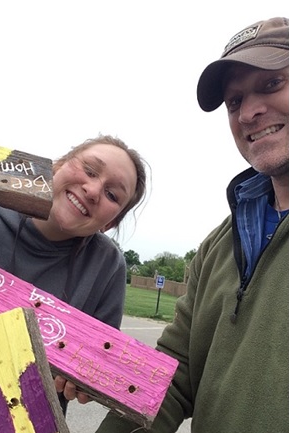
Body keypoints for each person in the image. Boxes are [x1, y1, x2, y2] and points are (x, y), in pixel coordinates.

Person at [94, 16, 289, 433]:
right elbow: (172, 373)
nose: (250, 112)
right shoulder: (219, 245)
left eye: (272, 84)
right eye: (234, 102)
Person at [0, 134, 148, 431]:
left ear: (109, 223)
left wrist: (85, 380)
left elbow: (97, 363)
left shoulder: (107, 266)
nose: (92, 190)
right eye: (89, 169)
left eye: (113, 195)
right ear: (57, 165)